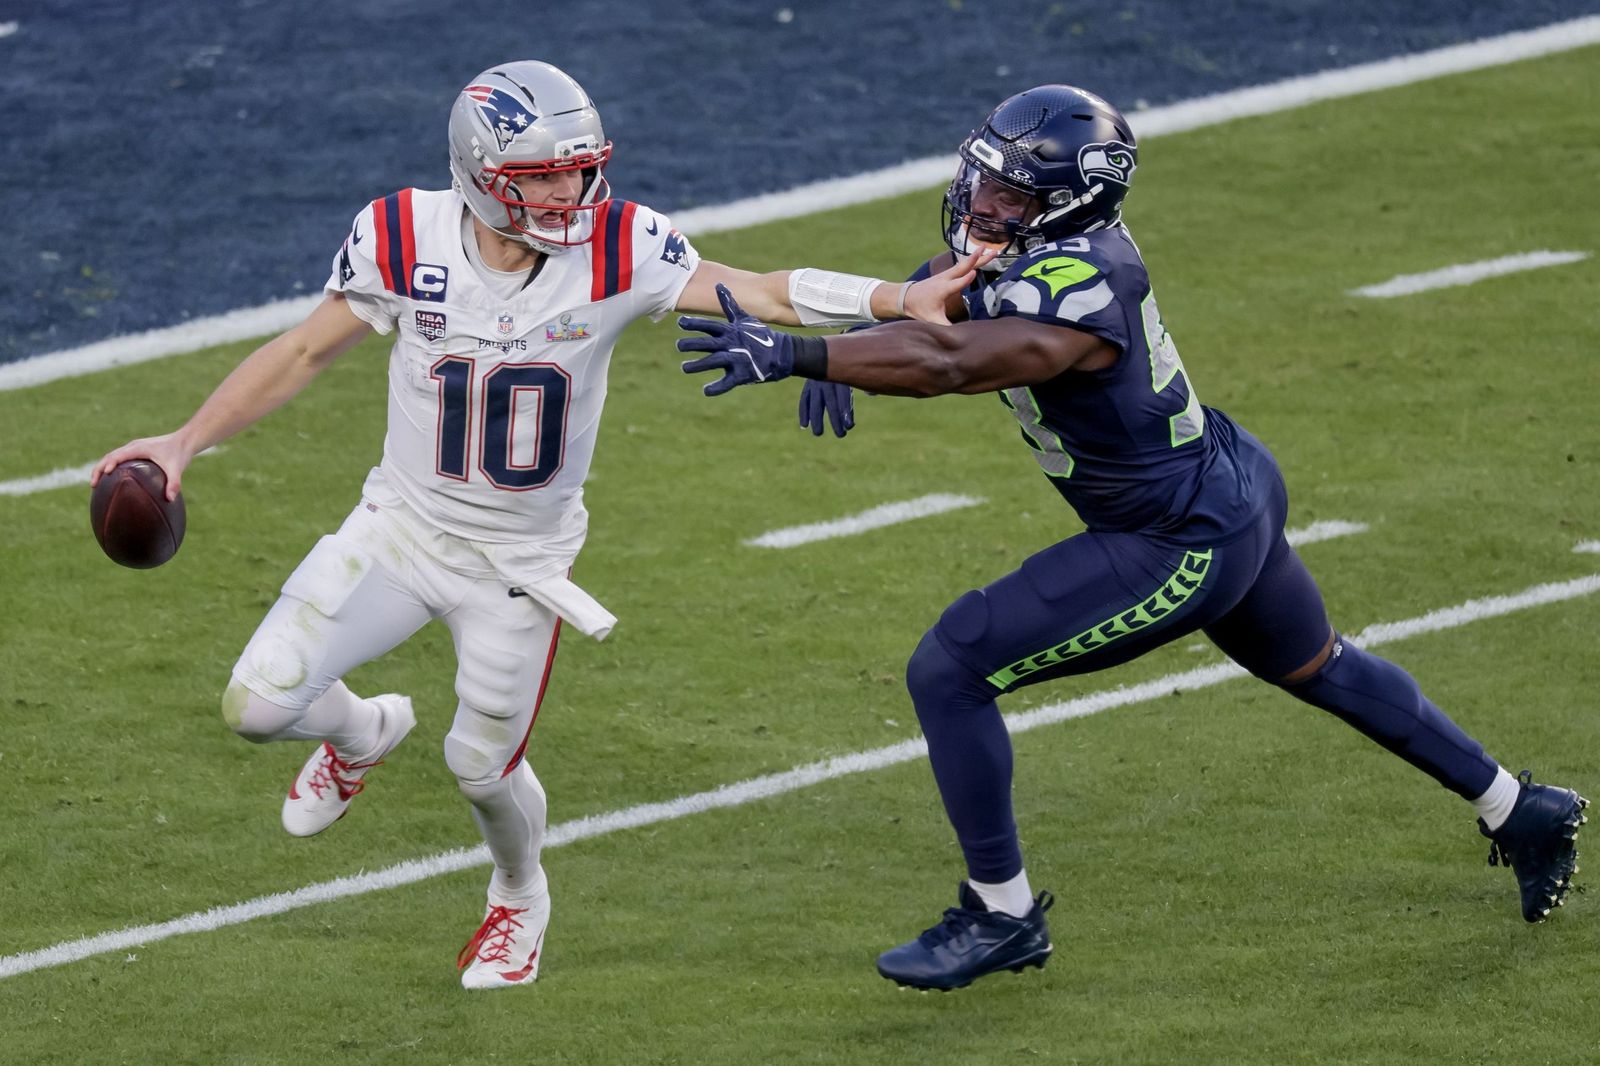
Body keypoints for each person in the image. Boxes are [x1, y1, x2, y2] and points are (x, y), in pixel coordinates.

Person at [677, 84, 1588, 992]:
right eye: (984, 182)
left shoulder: (1077, 286)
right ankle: (1519, 807)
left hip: (1174, 534)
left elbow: (953, 359)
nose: (985, 206)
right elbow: (946, 298)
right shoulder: (1044, 250)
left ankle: (1001, 914)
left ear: (1071, 203)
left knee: (950, 670)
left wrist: (806, 353)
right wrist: (867, 324)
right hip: (1223, 478)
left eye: (1014, 197)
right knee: (1318, 665)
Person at [92, 60, 978, 991]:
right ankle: (359, 734)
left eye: (581, 168)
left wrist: (893, 298)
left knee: (480, 768)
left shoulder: (621, 243)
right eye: (544, 176)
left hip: (521, 561)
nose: (571, 192)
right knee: (256, 707)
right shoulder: (400, 233)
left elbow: (755, 289)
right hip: (402, 524)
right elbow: (306, 350)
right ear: (478, 175)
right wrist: (185, 441)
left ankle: (519, 894)